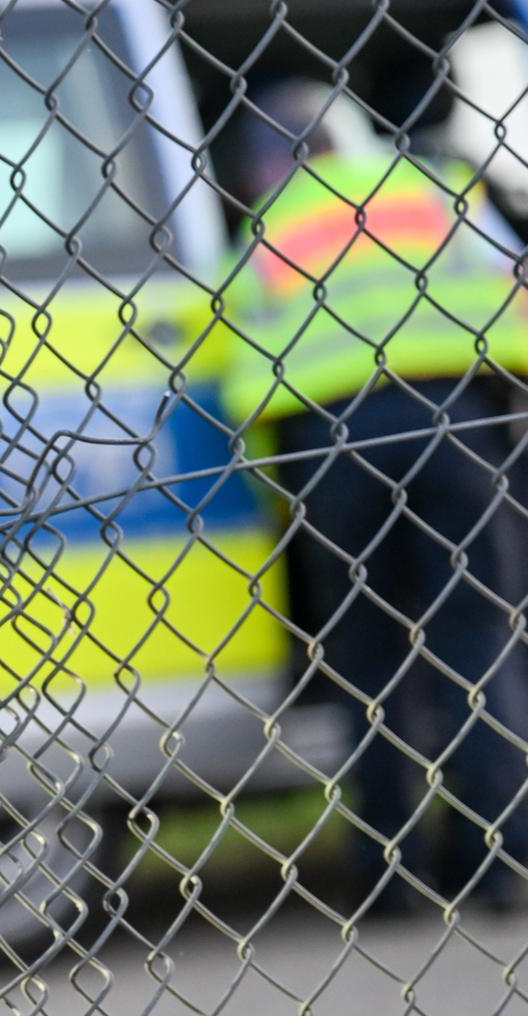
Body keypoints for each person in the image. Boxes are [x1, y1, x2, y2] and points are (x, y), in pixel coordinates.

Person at [198, 81, 528, 913]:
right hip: (455, 423)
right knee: (477, 640)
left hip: (330, 445)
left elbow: (234, 358)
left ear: (270, 161)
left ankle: (391, 878)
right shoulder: (434, 188)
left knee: (369, 661)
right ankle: (503, 864)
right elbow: (514, 295)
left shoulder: (266, 230)